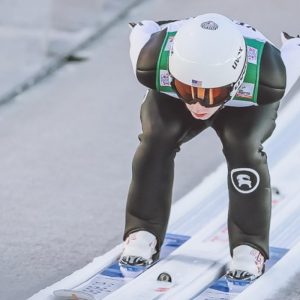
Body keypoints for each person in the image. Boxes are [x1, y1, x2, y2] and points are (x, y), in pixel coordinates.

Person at [119, 13, 300, 281]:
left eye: (212, 94)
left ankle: (249, 246)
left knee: (244, 148)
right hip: (175, 99)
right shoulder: (151, 60)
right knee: (156, 138)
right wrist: (149, 28)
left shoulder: (269, 77)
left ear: (237, 79)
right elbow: (143, 30)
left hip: (245, 105)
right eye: (187, 89)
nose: (198, 106)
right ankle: (142, 230)